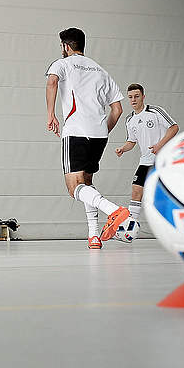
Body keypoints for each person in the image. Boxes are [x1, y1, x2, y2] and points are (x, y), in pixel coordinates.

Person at [45, 27, 127, 249]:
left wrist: (51, 114)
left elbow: (52, 82)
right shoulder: (101, 70)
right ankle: (94, 236)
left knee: (74, 188)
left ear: (66, 46)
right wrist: (103, 131)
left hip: (76, 131)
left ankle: (114, 211)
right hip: (99, 134)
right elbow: (117, 109)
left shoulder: (61, 64)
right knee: (87, 183)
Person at [114, 83, 179, 242]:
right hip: (145, 161)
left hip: (163, 161)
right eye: (130, 97)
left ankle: (177, 231)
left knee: (166, 196)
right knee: (136, 192)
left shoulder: (155, 111)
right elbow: (131, 141)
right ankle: (129, 232)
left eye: (136, 96)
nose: (133, 99)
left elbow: (174, 127)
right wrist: (123, 148)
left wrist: (160, 145)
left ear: (143, 96)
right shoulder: (130, 120)